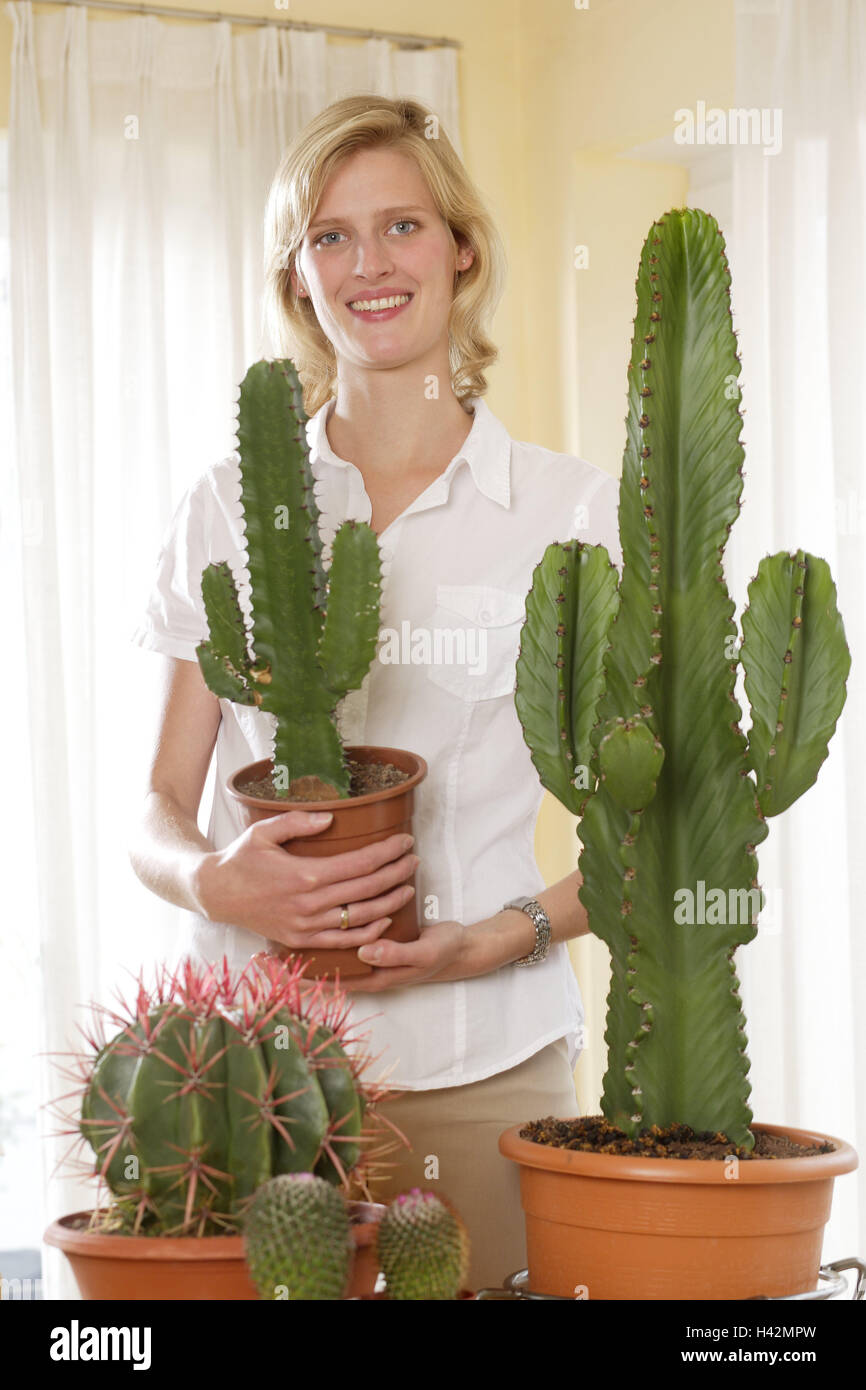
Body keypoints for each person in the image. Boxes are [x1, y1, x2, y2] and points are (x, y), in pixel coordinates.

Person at [128, 94, 622, 1291]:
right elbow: (154, 807)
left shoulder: (568, 512)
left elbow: (650, 825)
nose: (368, 265)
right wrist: (214, 875)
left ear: (460, 247)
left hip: (485, 1068)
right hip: (259, 1079)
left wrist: (490, 942)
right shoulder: (227, 500)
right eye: (330, 237)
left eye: (399, 225)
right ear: (297, 276)